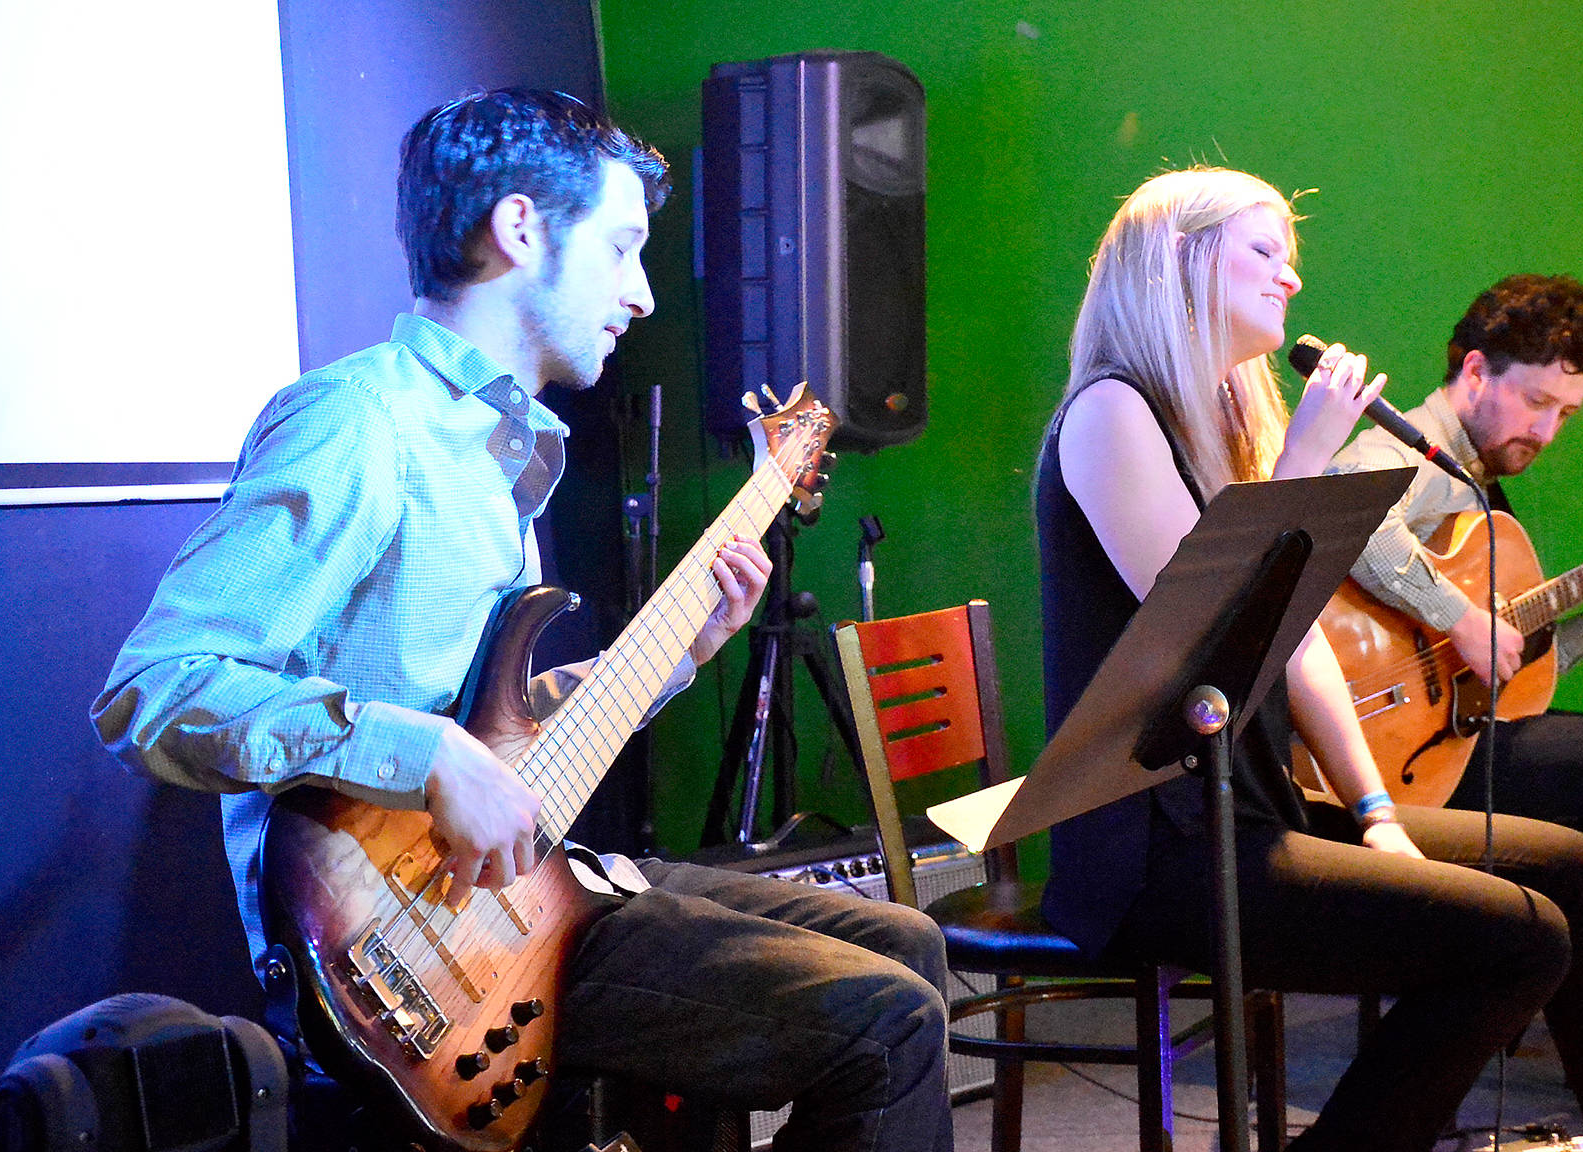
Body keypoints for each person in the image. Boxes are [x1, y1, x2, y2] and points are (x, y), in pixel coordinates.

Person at [91, 89, 950, 1152]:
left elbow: (498, 734)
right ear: (520, 229)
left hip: (515, 890)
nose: (640, 296)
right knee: (888, 1024)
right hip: (403, 947)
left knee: (910, 947)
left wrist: (676, 654)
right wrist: (427, 755)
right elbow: (154, 689)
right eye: (623, 248)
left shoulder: (498, 454)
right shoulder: (362, 422)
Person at [1037, 167, 1583, 1152]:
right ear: (1179, 259)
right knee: (1514, 943)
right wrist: (1305, 464)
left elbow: (1298, 646)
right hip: (1160, 851)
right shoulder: (1108, 415)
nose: (1289, 281)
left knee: (1572, 868)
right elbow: (1215, 640)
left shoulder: (1218, 422)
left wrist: (1378, 815)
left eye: (1290, 259)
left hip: (1255, 809)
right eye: (1263, 253)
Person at [1324, 274, 1583, 1047]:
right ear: (1475, 371)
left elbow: (1504, 684)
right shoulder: (1408, 448)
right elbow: (1347, 508)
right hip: (1378, 762)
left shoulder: (1476, 487)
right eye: (1537, 403)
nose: (1547, 431)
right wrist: (1460, 616)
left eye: (1565, 415)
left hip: (1444, 744)